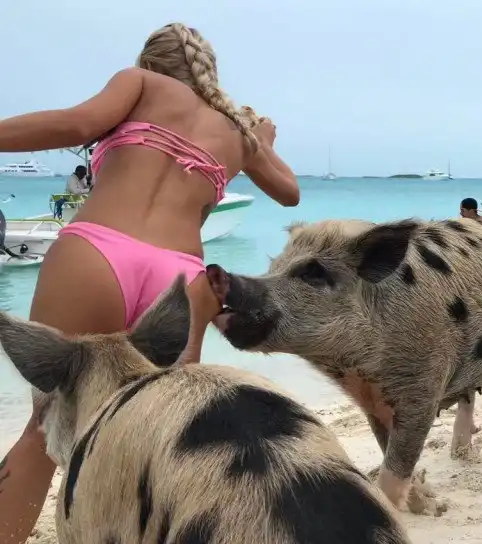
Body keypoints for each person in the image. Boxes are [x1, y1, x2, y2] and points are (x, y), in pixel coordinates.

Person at [0, 22, 299, 543]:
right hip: (179, 280)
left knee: (45, 427)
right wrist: (264, 145)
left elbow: (76, 123)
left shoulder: (140, 82)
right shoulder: (240, 132)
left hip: (97, 254)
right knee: (162, 436)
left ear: (151, 61)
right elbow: (289, 192)